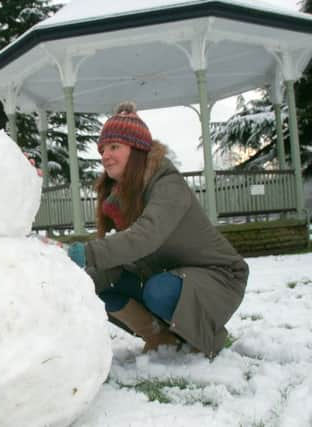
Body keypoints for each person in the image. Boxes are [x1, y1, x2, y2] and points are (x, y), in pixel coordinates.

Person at [69, 102, 248, 358]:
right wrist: (65, 255)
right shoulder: (123, 196)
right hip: (168, 273)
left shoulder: (168, 185)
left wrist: (85, 252)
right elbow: (121, 247)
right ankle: (160, 337)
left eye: (114, 147)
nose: (105, 155)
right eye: (103, 149)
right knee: (96, 281)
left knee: (159, 290)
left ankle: (205, 336)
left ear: (138, 150)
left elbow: (145, 236)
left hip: (219, 277)